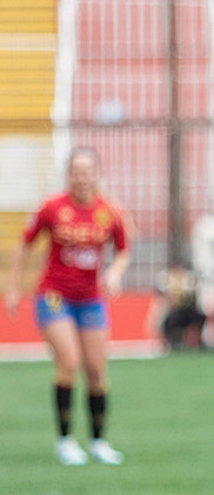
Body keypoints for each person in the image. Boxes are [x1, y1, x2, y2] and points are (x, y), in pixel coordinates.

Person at [5, 147, 130, 466]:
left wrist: (115, 272)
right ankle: (65, 440)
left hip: (90, 299)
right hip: (54, 296)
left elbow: (124, 248)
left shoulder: (109, 211)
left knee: (97, 370)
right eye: (77, 172)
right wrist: (14, 287)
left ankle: (99, 441)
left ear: (97, 175)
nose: (82, 178)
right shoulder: (52, 207)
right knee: (69, 362)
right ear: (69, 175)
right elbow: (24, 243)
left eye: (88, 172)